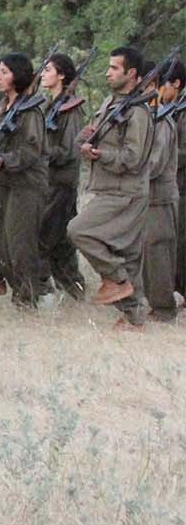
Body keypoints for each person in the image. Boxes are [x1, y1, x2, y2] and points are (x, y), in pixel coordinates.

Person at [69, 47, 155, 328]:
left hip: (125, 191)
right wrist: (85, 139)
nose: (108, 73)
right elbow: (92, 135)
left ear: (131, 73)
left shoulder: (138, 112)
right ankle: (134, 317)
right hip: (110, 187)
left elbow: (133, 157)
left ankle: (116, 279)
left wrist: (100, 155)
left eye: (115, 68)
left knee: (79, 230)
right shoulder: (110, 103)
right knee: (127, 253)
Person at [0, 53, 50, 307]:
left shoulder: (30, 111)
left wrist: (4, 159)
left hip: (26, 185)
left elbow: (31, 149)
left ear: (17, 76)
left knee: (21, 245)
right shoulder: (5, 107)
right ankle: (20, 294)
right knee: (4, 248)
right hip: (4, 184)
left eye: (4, 72)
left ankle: (28, 299)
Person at [37, 53, 88, 300]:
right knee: (60, 243)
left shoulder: (71, 109)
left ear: (61, 75)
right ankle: (73, 289)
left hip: (61, 184)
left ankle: (42, 290)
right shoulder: (49, 105)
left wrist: (40, 152)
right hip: (49, 181)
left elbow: (70, 150)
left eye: (48, 70)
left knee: (44, 238)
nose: (43, 74)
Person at [143, 61, 181, 323]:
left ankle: (164, 309)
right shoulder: (148, 116)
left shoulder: (162, 120)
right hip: (147, 195)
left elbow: (154, 164)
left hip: (161, 196)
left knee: (159, 252)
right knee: (148, 251)